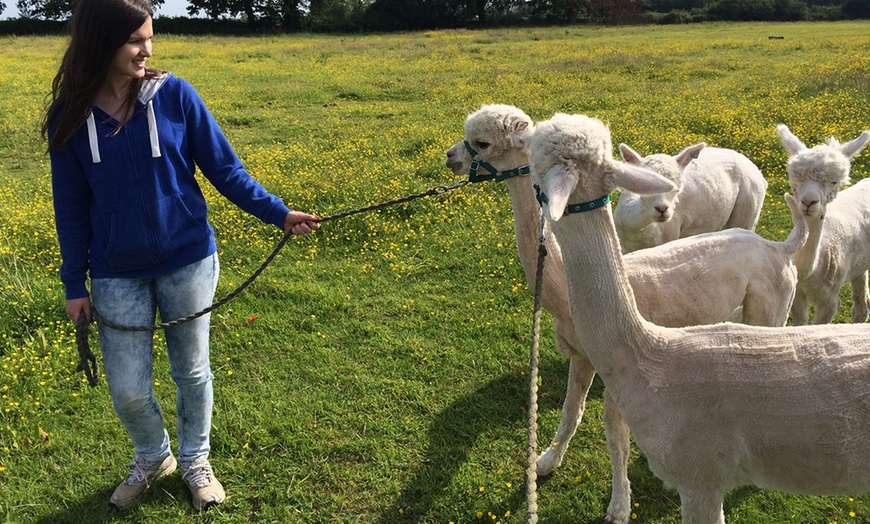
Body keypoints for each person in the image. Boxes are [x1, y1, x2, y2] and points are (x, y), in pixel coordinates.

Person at [42, 0, 320, 512]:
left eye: (149, 38)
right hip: (114, 272)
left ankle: (195, 459)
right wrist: (73, 284)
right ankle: (153, 456)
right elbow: (71, 209)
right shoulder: (70, 117)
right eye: (135, 41)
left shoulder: (175, 96)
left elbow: (226, 170)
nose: (147, 50)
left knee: (192, 371)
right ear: (100, 44)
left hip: (188, 259)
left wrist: (278, 213)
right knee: (126, 388)